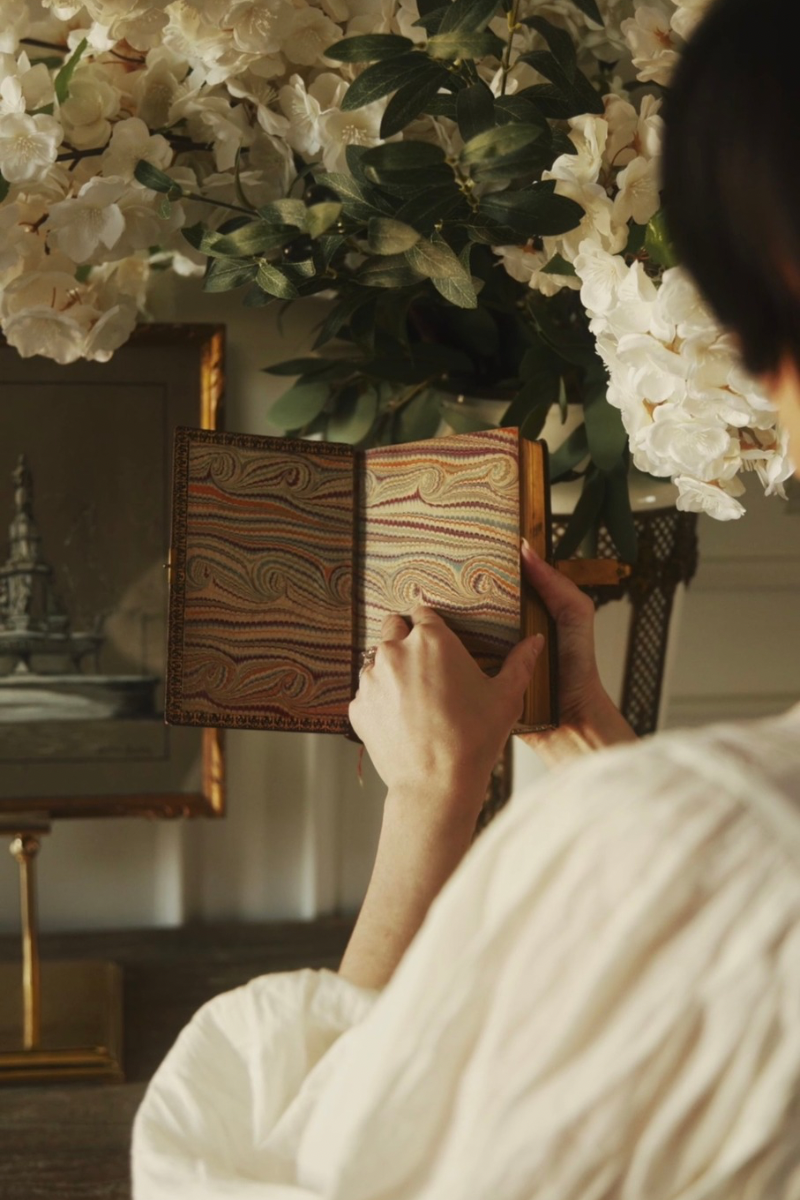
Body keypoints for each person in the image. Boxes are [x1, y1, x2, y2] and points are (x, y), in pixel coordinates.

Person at [132, 0, 800, 1194]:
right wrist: (593, 748)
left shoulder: (727, 861)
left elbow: (324, 1173)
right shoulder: (707, 842)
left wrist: (430, 803)